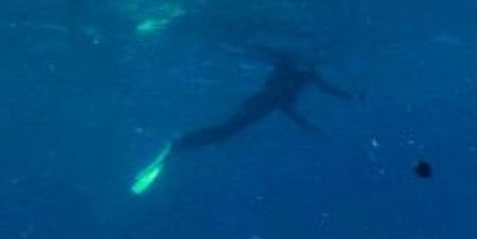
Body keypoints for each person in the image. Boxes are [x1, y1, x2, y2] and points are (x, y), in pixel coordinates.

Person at [131, 52, 354, 194]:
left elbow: (296, 100)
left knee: (225, 132)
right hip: (258, 106)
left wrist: (308, 121)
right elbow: (291, 101)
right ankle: (179, 143)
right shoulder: (298, 77)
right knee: (224, 133)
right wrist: (310, 120)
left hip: (257, 105)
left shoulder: (296, 78)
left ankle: (181, 144)